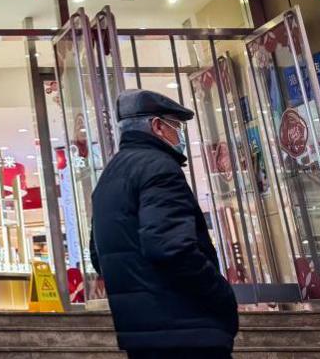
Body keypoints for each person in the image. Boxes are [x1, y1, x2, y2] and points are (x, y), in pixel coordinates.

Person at [90, 89, 239, 359]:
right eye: (176, 127)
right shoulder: (159, 167)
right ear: (157, 126)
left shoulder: (109, 177)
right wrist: (221, 293)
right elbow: (170, 247)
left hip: (141, 334)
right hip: (187, 331)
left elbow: (98, 256)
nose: (179, 136)